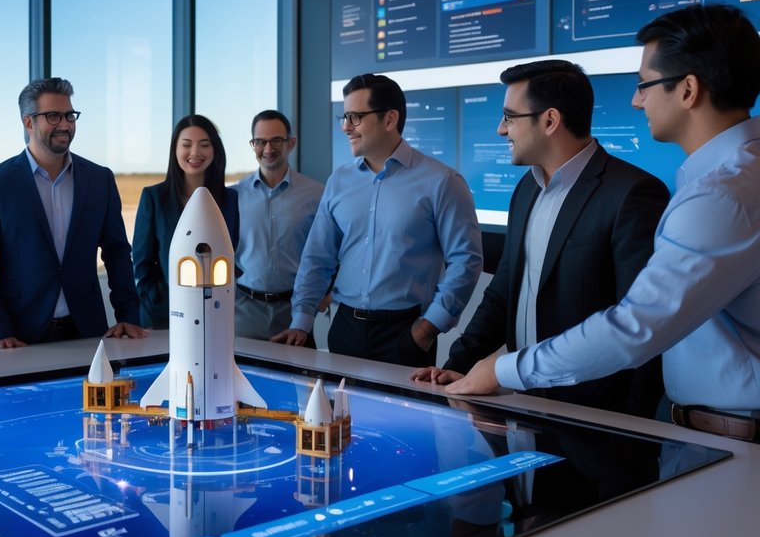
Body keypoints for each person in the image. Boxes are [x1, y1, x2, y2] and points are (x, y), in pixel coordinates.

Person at [418, 4, 760, 446]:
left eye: (645, 85)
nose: (636, 99)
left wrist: (503, 369)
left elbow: (636, 329)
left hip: (707, 437)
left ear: (687, 90)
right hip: (699, 429)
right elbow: (509, 285)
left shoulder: (717, 194)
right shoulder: (750, 172)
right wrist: (470, 362)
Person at [442, 60, 670, 417]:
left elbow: (645, 329)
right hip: (524, 405)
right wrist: (456, 365)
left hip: (597, 420)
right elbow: (504, 290)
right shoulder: (526, 189)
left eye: (509, 117)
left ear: (549, 120)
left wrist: (631, 434)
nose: (501, 130)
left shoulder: (632, 194)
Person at [273, 74, 482, 367]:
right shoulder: (339, 181)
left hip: (406, 334)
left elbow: (466, 260)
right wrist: (301, 321)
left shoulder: (442, 182)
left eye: (356, 117)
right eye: (344, 117)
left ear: (389, 119)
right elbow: (318, 256)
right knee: (343, 414)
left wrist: (427, 328)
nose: (346, 126)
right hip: (345, 329)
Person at [0, 77, 146, 348]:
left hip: (88, 330)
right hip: (17, 335)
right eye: (53, 116)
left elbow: (117, 252)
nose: (65, 125)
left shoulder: (99, 179)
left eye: (69, 116)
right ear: (28, 122)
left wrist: (129, 315)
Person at [132, 114, 240, 329]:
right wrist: (155, 301)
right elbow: (141, 261)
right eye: (186, 145)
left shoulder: (229, 199)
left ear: (215, 150)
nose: (195, 153)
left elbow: (229, 252)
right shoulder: (154, 197)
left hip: (215, 313)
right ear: (175, 150)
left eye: (204, 145)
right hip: (162, 315)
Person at [232, 109, 325, 342]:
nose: (268, 149)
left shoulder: (317, 194)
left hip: (295, 311)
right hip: (243, 312)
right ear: (252, 145)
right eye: (260, 142)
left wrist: (329, 291)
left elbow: (332, 249)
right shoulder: (233, 196)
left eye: (276, 141)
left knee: (297, 378)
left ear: (290, 143)